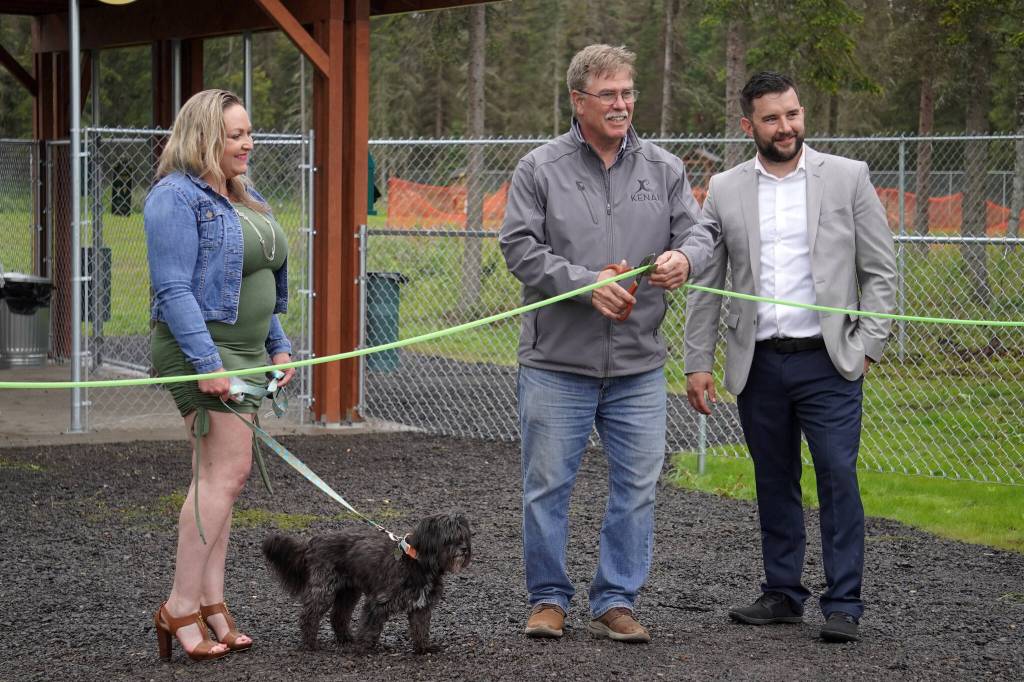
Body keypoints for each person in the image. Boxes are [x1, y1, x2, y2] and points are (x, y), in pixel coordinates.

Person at [499, 44, 717, 643]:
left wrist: (683, 258)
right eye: (609, 94)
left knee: (639, 483)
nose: (621, 104)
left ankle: (616, 598)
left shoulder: (664, 169)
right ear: (578, 100)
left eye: (627, 92)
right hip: (556, 363)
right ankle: (548, 598)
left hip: (638, 364)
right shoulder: (539, 168)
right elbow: (518, 247)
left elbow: (699, 235)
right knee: (547, 485)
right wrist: (583, 285)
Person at [683, 72, 897, 643]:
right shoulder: (726, 188)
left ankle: (843, 603)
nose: (787, 127)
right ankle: (782, 593)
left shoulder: (848, 177)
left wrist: (867, 346)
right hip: (759, 364)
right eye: (773, 118)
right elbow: (708, 284)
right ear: (748, 124)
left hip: (829, 362)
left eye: (794, 114)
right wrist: (696, 362)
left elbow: (880, 270)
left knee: (837, 475)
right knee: (773, 479)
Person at [144, 89, 295, 661]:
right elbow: (174, 288)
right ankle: (180, 604)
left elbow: (264, 281)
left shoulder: (243, 194)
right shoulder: (173, 199)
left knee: (220, 479)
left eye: (248, 133)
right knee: (224, 475)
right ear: (204, 137)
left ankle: (211, 601)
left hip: (247, 350)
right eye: (235, 135)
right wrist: (207, 365)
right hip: (202, 351)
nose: (248, 144)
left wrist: (277, 347)